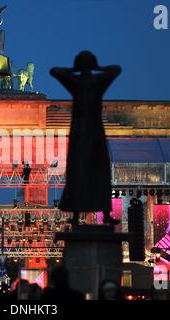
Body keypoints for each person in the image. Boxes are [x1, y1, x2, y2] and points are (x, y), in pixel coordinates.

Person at [50, 51, 122, 227]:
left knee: (77, 172)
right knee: (100, 173)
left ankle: (75, 217)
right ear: (93, 64)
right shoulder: (99, 81)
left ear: (78, 65)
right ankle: (105, 214)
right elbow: (116, 69)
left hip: (80, 131)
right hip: (95, 129)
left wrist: (73, 69)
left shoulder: (75, 82)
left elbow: (55, 71)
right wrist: (99, 68)